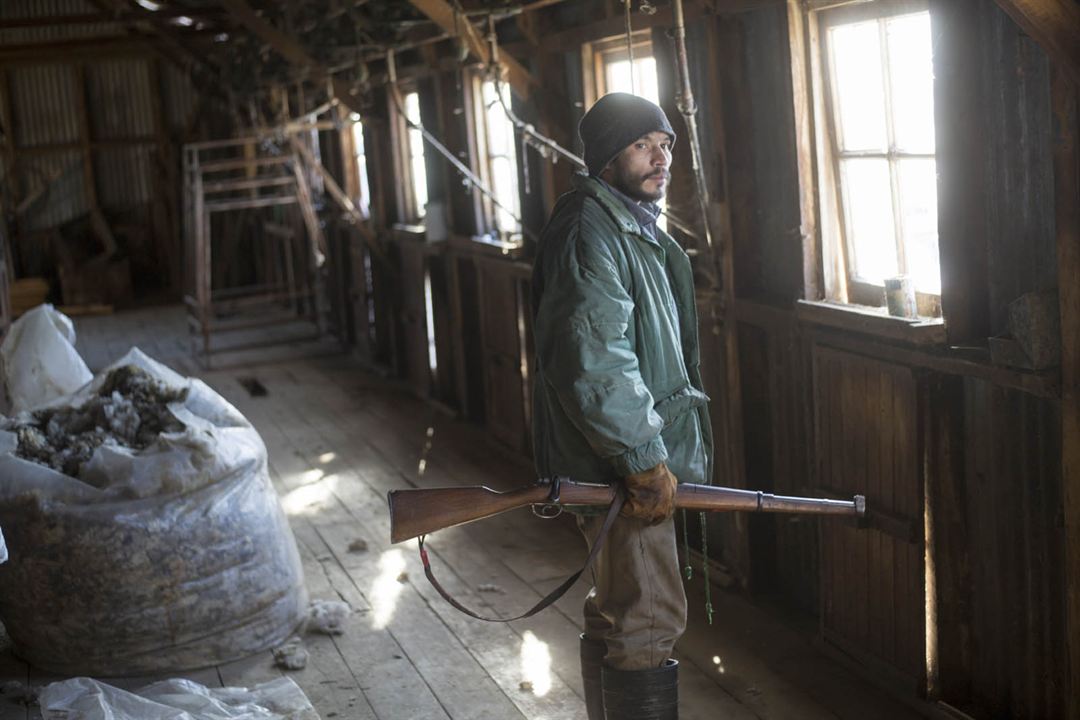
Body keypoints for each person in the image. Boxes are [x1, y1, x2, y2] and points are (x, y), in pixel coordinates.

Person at [530, 92, 713, 720]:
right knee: (648, 617)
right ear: (607, 158)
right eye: (642, 145)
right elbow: (595, 357)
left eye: (666, 144)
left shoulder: (627, 223)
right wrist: (641, 459)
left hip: (617, 455)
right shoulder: (593, 230)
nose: (661, 157)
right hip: (617, 463)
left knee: (621, 609)